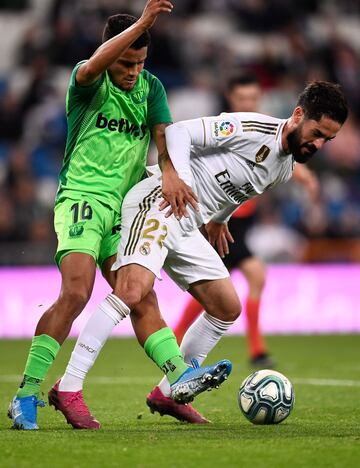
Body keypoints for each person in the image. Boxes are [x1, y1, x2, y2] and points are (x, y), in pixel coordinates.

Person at [53, 81, 347, 427]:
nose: (318, 144)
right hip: (159, 204)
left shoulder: (284, 166)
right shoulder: (252, 128)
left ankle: (171, 393)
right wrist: (174, 176)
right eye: (317, 132)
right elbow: (179, 132)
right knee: (132, 292)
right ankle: (69, 386)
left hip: (190, 223)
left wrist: (219, 219)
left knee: (227, 307)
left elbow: (240, 189)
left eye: (328, 139)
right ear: (299, 115)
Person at [8, 0, 231, 431]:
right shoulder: (87, 82)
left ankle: (178, 377)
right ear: (112, 52)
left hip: (125, 207)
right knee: (76, 293)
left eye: (141, 62)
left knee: (140, 295)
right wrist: (144, 22)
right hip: (82, 198)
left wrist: (169, 172)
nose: (133, 71)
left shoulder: (152, 89)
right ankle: (25, 395)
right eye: (126, 62)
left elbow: (165, 140)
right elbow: (94, 66)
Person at [173, 73, 320, 369]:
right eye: (243, 99)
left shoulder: (272, 133)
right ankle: (251, 349)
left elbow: (282, 162)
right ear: (231, 99)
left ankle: (187, 340)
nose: (249, 104)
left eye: (254, 98)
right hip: (218, 223)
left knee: (227, 286)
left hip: (235, 222)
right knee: (229, 285)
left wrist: (304, 176)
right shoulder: (231, 128)